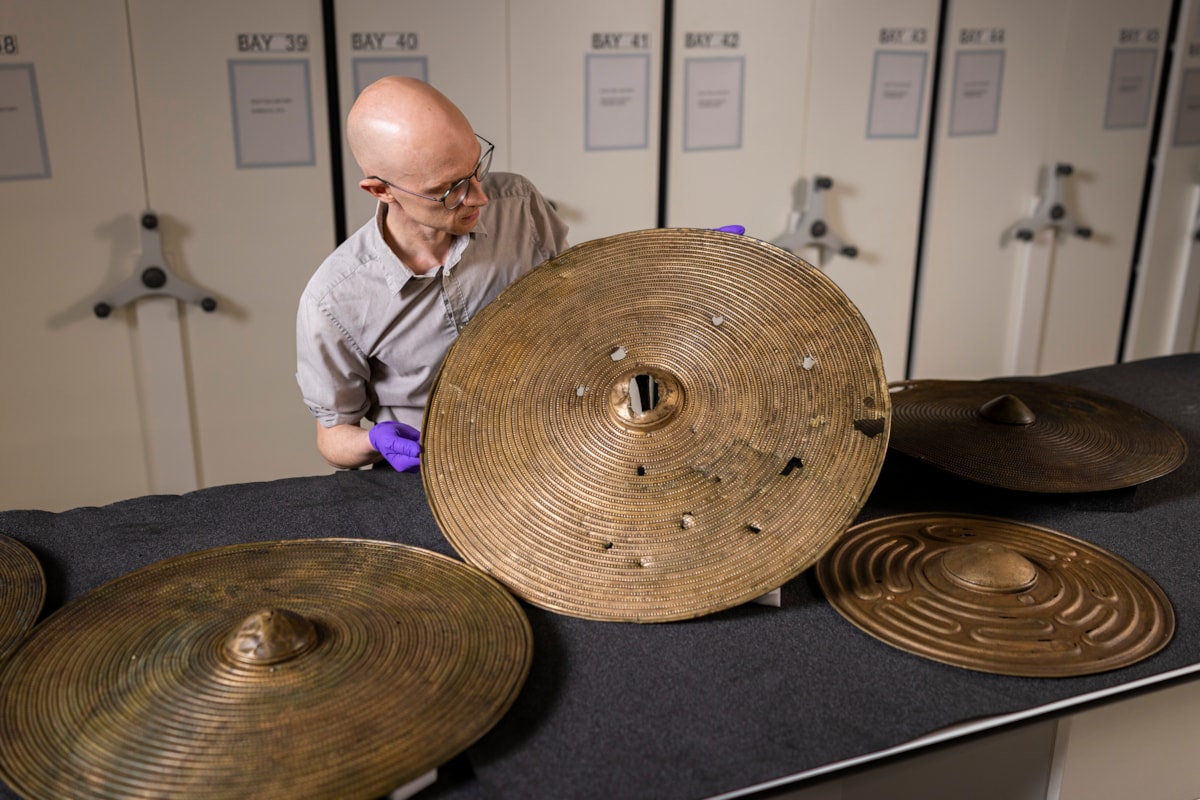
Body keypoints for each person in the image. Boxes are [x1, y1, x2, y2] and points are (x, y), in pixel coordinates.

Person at [296, 76, 569, 472]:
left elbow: (573, 306)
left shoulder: (520, 205)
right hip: (432, 477)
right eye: (449, 189)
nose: (480, 196)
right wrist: (373, 442)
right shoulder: (334, 300)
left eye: (477, 167)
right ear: (380, 191)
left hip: (546, 452)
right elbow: (334, 436)